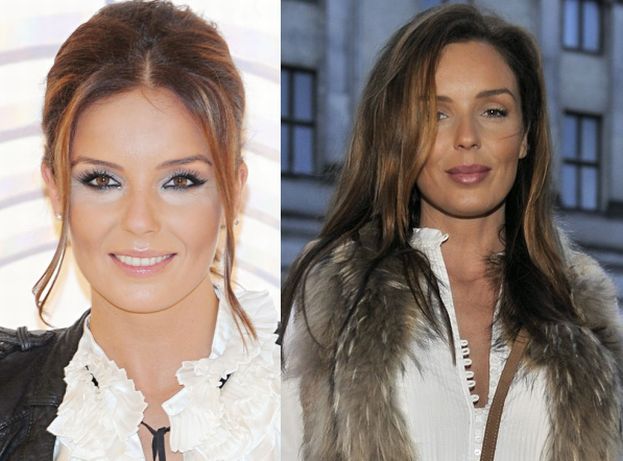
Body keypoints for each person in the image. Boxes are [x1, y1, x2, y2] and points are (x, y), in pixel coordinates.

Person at [281, 4, 623, 461]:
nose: (466, 136)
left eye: (494, 111)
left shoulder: (584, 306)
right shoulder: (334, 293)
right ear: (401, 135)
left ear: (525, 136)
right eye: (437, 114)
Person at [0, 2, 279, 460]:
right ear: (56, 189)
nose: (140, 221)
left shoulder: (325, 383)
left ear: (233, 190)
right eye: (102, 180)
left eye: (180, 181)